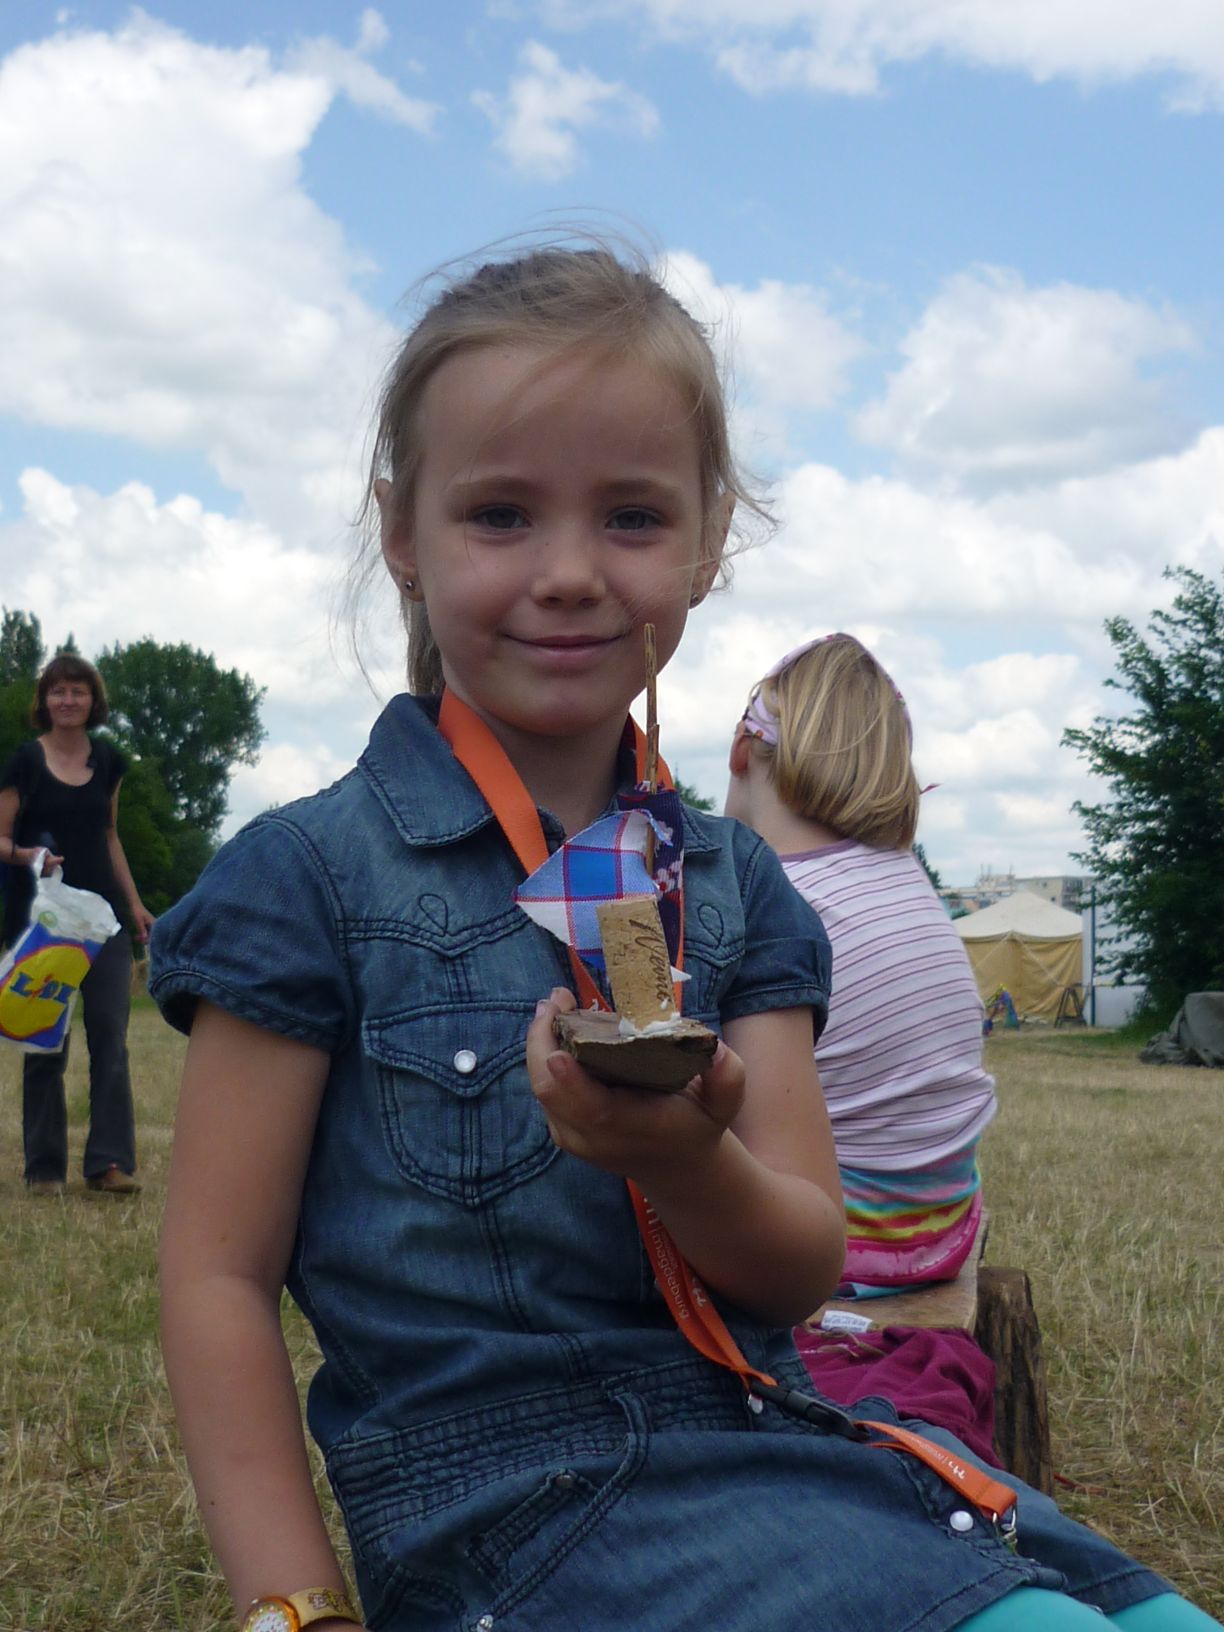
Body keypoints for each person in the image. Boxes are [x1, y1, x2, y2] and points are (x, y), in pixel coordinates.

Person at [150, 245, 1212, 1632]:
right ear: (402, 532)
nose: (570, 572)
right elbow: (217, 1278)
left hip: (801, 1442)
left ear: (710, 544)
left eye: (634, 517)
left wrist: (684, 1157)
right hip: (524, 1515)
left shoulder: (738, 884)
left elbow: (801, 1267)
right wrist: (294, 1611)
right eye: (501, 514)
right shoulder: (304, 880)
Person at [726, 633, 996, 1296]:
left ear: (740, 751)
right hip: (942, 1228)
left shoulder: (773, 903)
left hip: (836, 1248)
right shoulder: (906, 880)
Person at [0, 653, 154, 1196]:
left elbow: (110, 835)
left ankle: (109, 1164)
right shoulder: (25, 762)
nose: (67, 700)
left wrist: (134, 904)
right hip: (44, 921)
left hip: (102, 921)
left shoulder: (109, 761)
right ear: (44, 701)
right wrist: (27, 856)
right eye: (58, 691)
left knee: (111, 1036)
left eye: (78, 691)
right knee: (47, 1041)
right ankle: (44, 1170)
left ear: (93, 701)